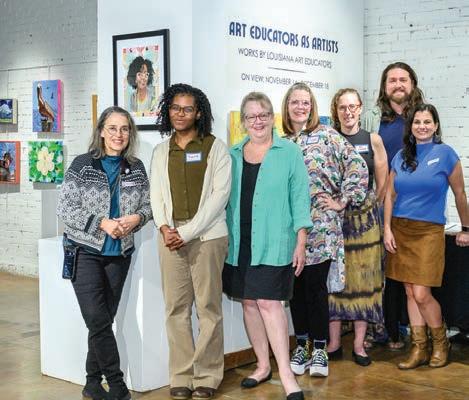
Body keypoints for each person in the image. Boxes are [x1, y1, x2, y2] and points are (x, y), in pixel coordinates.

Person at [57, 106, 152, 400]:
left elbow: (148, 206)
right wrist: (101, 222)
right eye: (112, 128)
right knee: (98, 320)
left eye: (124, 129)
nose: (118, 134)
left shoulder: (136, 167)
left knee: (101, 322)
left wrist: (137, 219)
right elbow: (65, 209)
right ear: (101, 131)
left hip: (119, 256)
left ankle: (91, 383)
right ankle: (118, 385)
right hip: (83, 252)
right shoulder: (82, 165)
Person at [223, 92, 311, 400]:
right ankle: (262, 366)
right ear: (244, 121)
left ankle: (286, 374)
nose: (257, 121)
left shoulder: (289, 152)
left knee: (269, 304)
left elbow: (300, 199)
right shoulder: (232, 154)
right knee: (249, 302)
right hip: (239, 241)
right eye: (251, 116)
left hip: (274, 241)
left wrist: (301, 241)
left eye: (263, 115)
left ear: (271, 118)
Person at [281, 82, 368, 378]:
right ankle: (302, 345)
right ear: (287, 106)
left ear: (312, 106)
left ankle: (320, 349)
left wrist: (343, 200)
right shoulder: (281, 142)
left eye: (305, 102)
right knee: (295, 290)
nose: (300, 107)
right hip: (289, 228)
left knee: (316, 290)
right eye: (295, 102)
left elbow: (357, 166)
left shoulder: (328, 135)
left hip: (322, 227)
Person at [150, 83, 231, 400]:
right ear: (167, 111)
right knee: (176, 309)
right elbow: (156, 195)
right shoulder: (161, 151)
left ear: (198, 113)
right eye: (175, 108)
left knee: (208, 308)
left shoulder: (215, 148)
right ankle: (181, 376)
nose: (180, 114)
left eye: (187, 109)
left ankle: (207, 376)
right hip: (169, 237)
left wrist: (186, 232)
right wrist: (164, 227)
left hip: (207, 237)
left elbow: (219, 197)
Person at [384, 103, 469, 369]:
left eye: (427, 122)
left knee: (421, 293)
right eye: (417, 122)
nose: (422, 126)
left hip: (428, 231)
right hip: (400, 229)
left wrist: (466, 228)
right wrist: (386, 228)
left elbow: (460, 194)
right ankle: (419, 348)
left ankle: (441, 343)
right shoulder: (401, 156)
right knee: (409, 292)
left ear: (435, 125)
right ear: (411, 127)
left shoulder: (446, 154)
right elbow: (390, 196)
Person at [362, 61, 425, 350]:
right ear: (384, 86)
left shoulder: (423, 118)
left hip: (412, 207)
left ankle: (405, 328)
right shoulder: (374, 119)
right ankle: (382, 329)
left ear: (412, 84)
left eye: (403, 79)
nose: (398, 84)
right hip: (378, 205)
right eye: (392, 80)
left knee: (407, 271)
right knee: (378, 270)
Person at [327, 88, 388, 366]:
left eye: (352, 106)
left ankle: (359, 345)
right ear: (336, 110)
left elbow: (383, 183)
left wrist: (368, 206)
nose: (348, 112)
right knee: (335, 282)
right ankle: (334, 343)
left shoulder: (372, 140)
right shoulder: (329, 138)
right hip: (335, 222)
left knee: (364, 281)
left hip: (365, 224)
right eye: (343, 107)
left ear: (361, 108)